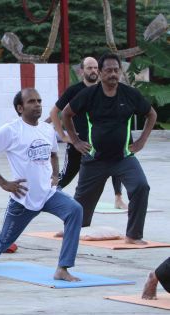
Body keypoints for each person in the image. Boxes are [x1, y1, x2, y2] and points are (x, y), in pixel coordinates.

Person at [0, 88, 83, 281]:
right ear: (20, 108)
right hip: (22, 198)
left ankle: (63, 268)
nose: (37, 105)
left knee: (75, 210)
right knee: (3, 242)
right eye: (31, 101)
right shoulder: (11, 130)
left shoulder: (47, 129)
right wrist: (3, 183)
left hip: (48, 194)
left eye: (39, 101)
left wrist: (55, 175)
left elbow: (53, 154)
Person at [62, 53, 157, 245]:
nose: (113, 74)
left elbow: (151, 114)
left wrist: (142, 141)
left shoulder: (130, 94)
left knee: (141, 186)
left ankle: (133, 235)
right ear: (100, 72)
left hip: (123, 158)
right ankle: (73, 229)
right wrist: (76, 141)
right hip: (94, 159)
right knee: (82, 201)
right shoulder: (89, 94)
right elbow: (66, 114)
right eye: (108, 70)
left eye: (116, 70)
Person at [49, 56, 127, 209]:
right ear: (81, 71)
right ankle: (48, 193)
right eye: (89, 68)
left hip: (101, 142)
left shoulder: (106, 90)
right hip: (80, 142)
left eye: (95, 68)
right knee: (68, 173)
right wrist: (64, 136)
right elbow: (54, 112)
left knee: (117, 166)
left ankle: (118, 198)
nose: (93, 71)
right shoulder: (74, 90)